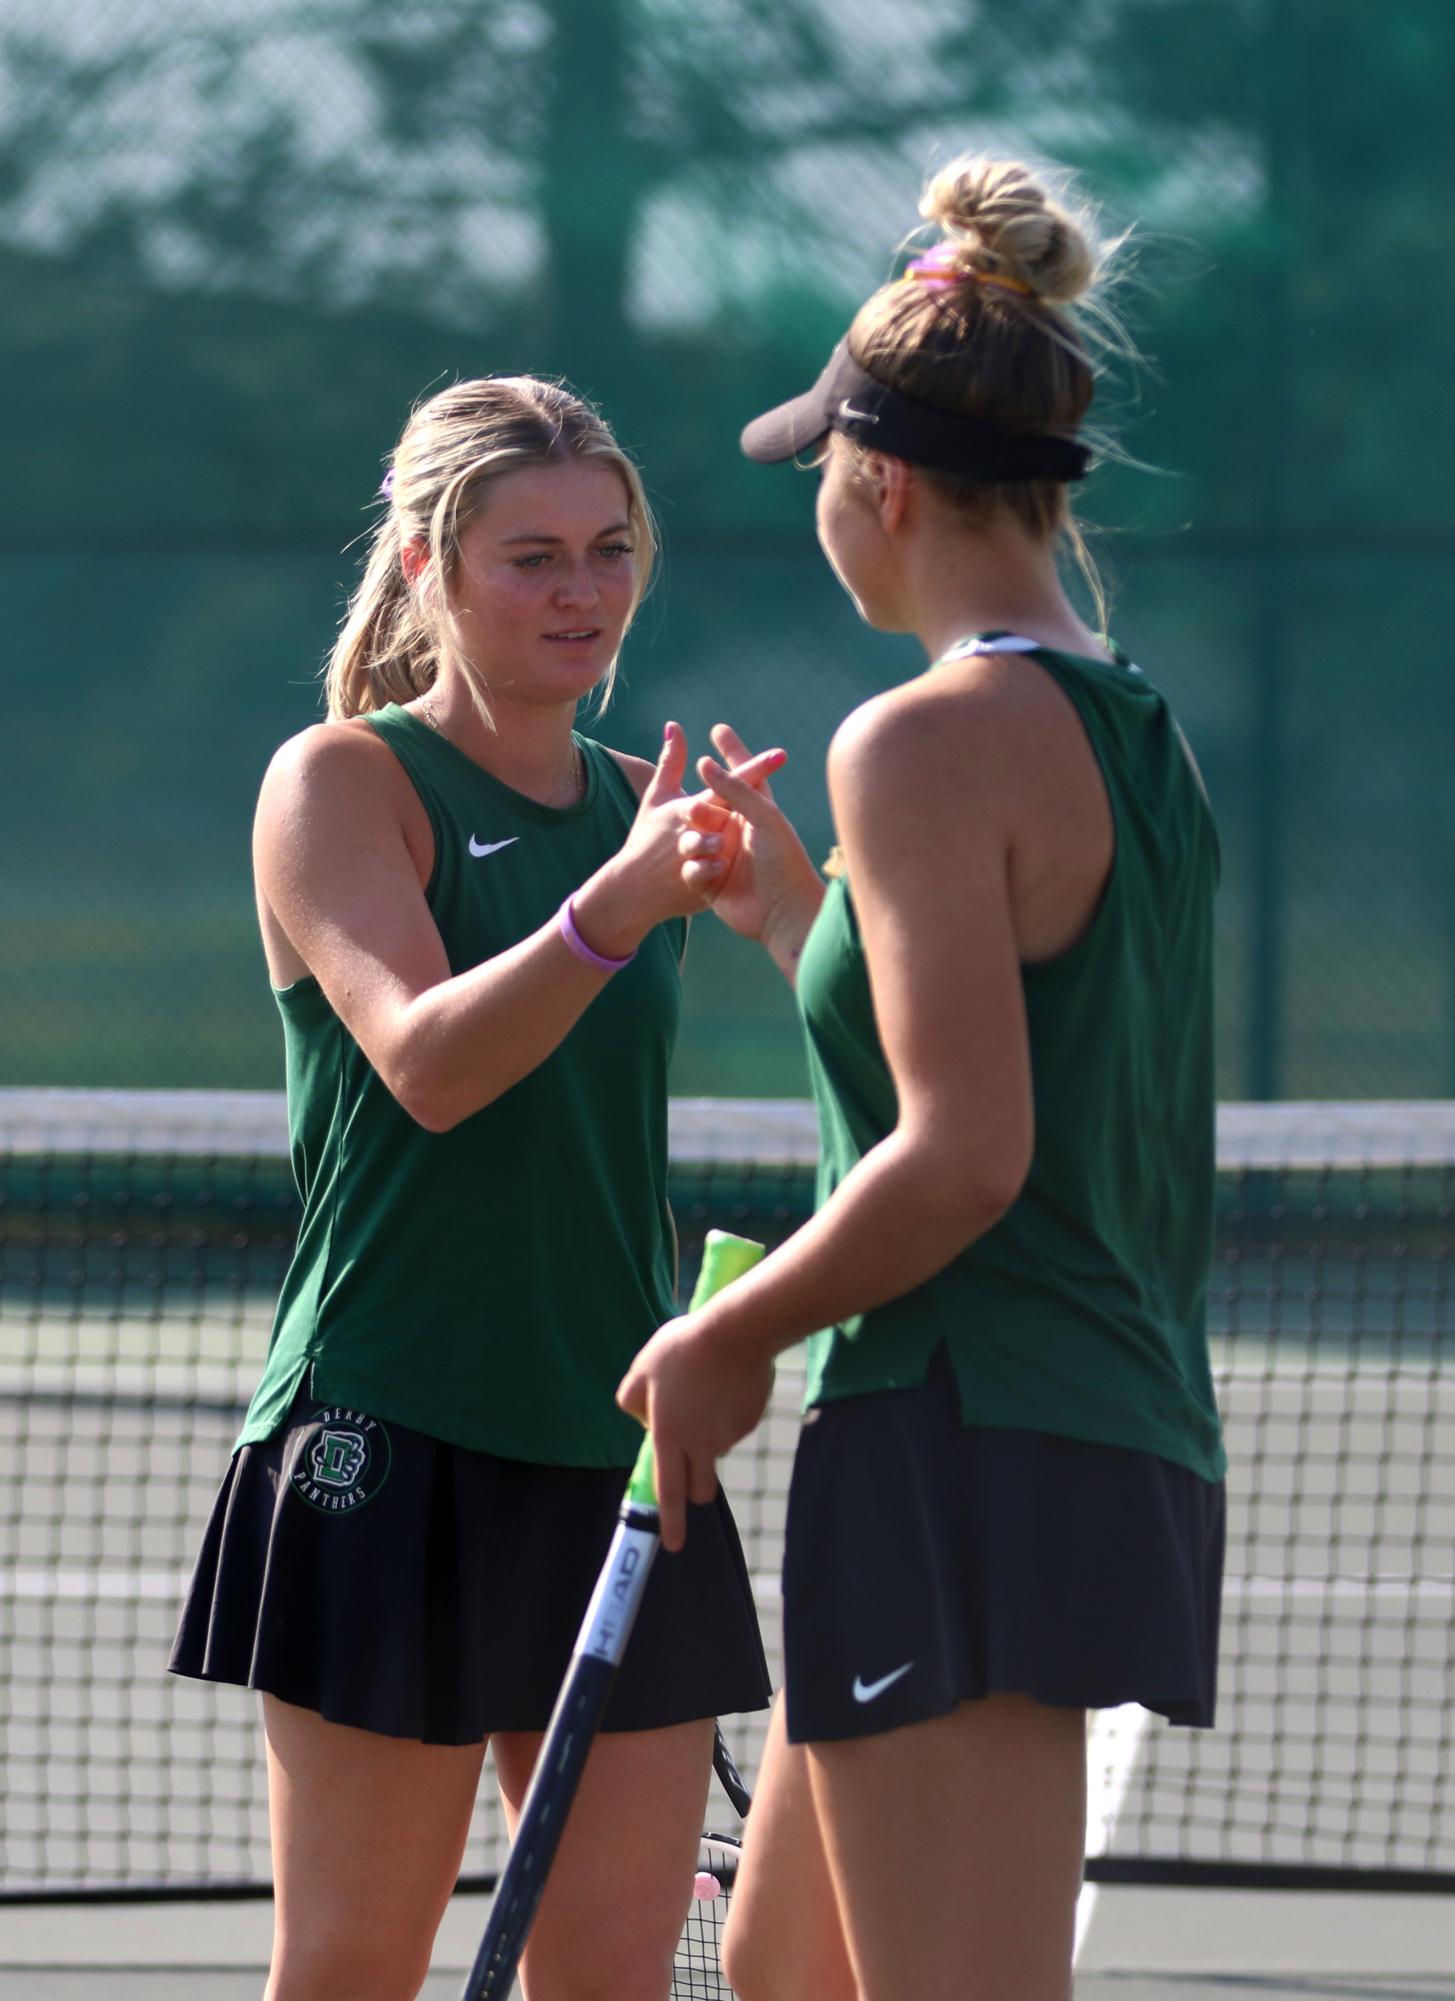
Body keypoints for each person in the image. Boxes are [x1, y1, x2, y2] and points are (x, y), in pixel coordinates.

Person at [619, 155, 1226, 2001]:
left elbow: (965, 1153)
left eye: (820, 465)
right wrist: (793, 907)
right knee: (789, 1968)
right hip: (1037, 1420)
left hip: (974, 1425)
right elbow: (985, 1039)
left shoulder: (927, 738)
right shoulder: (1124, 723)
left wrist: (732, 1338)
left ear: (878, 479)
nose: (820, 499)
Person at [169, 374, 774, 2001]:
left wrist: (759, 898)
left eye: (609, 549)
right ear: (431, 564)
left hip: (625, 1449)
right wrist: (613, 911)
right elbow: (427, 1064)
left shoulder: (630, 813)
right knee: (355, 1966)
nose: (582, 591)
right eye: (531, 557)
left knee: (612, 1979)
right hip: (394, 1429)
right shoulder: (342, 781)